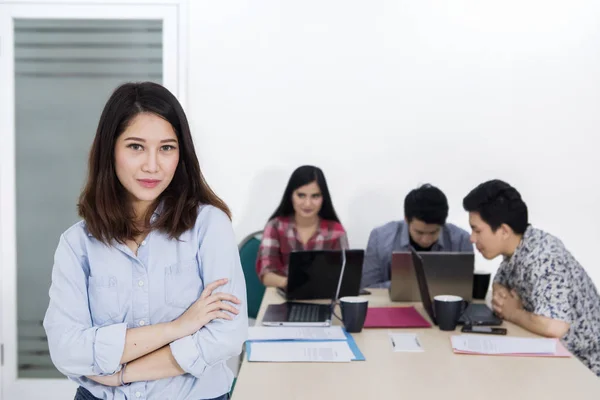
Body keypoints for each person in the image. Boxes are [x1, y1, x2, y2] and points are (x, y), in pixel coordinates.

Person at [43, 82, 248, 400]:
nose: (152, 165)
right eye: (136, 146)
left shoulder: (209, 226)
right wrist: (177, 328)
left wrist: (124, 373)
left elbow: (227, 335)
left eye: (167, 148)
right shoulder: (77, 244)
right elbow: (67, 350)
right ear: (110, 150)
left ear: (181, 154)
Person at [463, 179, 600, 376]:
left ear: (504, 231)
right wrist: (505, 299)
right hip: (552, 356)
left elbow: (555, 326)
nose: (472, 238)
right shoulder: (520, 247)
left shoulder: (544, 258)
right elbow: (500, 283)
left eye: (477, 230)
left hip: (584, 368)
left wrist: (513, 313)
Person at [361, 184, 472, 288]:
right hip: (391, 307)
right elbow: (368, 289)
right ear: (406, 220)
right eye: (419, 232)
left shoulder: (461, 240)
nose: (426, 240)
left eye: (434, 232)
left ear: (443, 223)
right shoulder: (380, 238)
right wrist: (417, 284)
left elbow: (466, 288)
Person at [256, 165, 348, 288]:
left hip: (323, 297)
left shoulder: (336, 231)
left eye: (315, 196)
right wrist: (292, 284)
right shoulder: (275, 226)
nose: (307, 203)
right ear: (291, 196)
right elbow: (266, 273)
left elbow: (344, 275)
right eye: (301, 195)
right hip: (282, 296)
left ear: (323, 198)